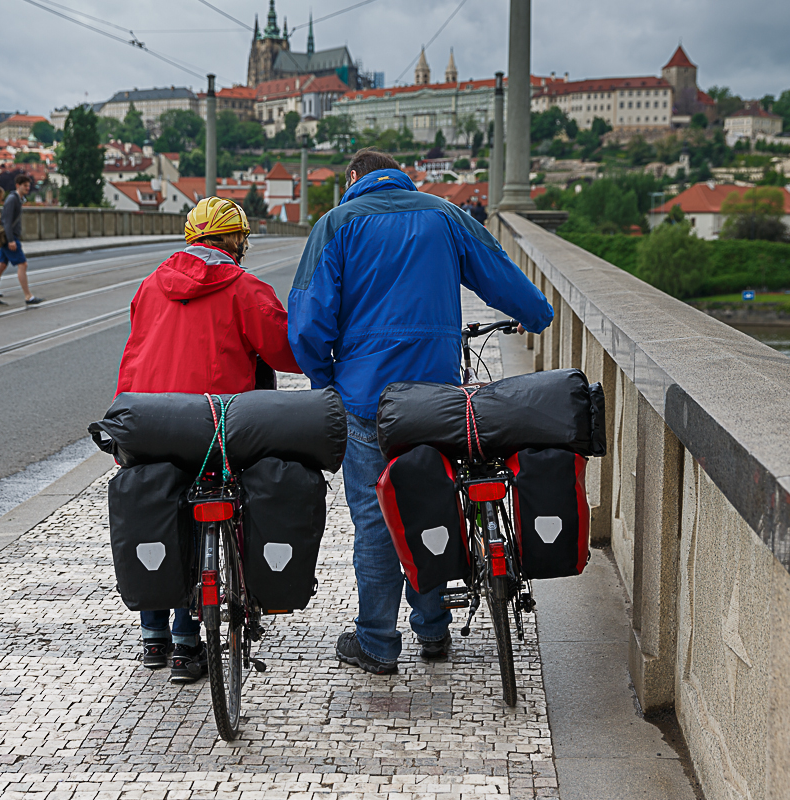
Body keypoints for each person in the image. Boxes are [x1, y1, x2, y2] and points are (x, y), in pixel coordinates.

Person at [288, 148, 553, 675]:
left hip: (366, 402)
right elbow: (498, 274)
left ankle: (377, 643)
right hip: (436, 399)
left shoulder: (336, 224)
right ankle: (433, 628)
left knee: (376, 521)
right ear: (400, 175)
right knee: (432, 503)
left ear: (353, 178)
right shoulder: (444, 214)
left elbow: (307, 324)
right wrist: (536, 314)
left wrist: (327, 381)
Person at [116, 196, 302, 683]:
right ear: (236, 241)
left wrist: (124, 421)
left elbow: (133, 355)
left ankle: (152, 635)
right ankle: (184, 642)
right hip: (214, 421)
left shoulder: (151, 284)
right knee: (209, 508)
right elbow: (284, 352)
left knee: (155, 510)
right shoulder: (243, 287)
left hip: (147, 417)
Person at [0, 174, 42, 306]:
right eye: (25, 186)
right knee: (22, 265)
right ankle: (28, 296)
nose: (27, 188)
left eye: (28, 186)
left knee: (0, 266)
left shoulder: (18, 199)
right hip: (9, 238)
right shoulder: (13, 199)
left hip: (8, 237)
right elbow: (6, 221)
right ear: (18, 186)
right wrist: (11, 240)